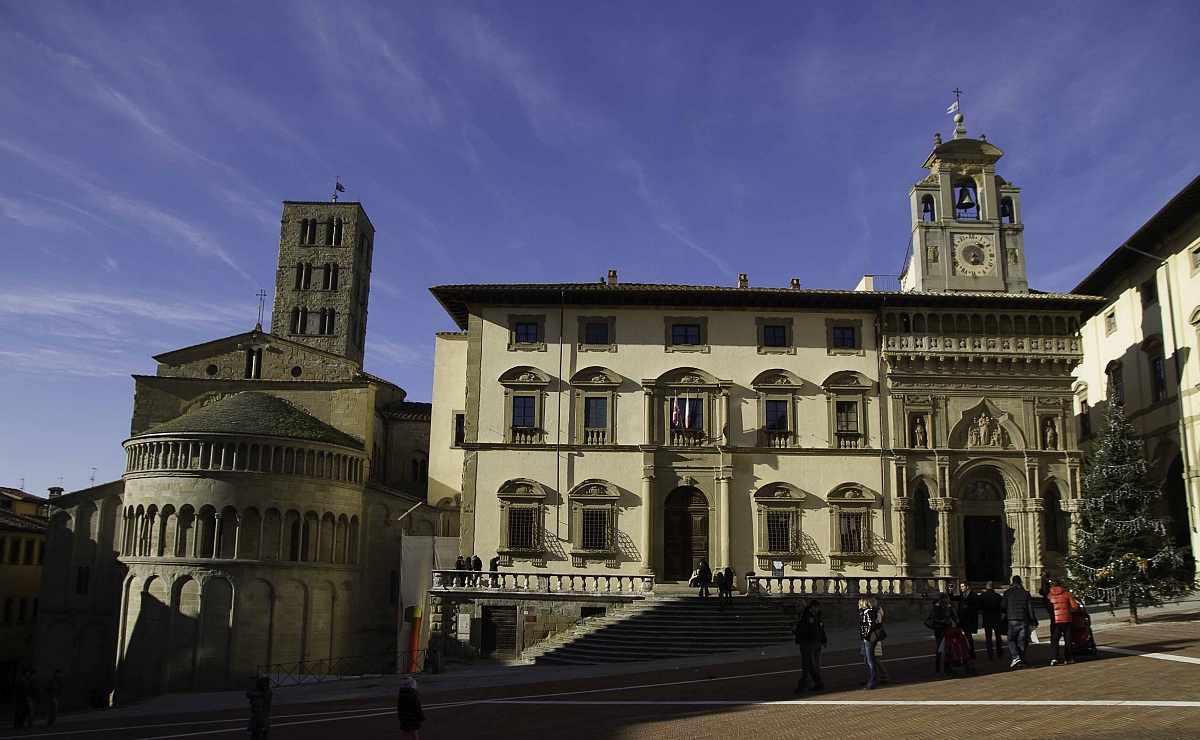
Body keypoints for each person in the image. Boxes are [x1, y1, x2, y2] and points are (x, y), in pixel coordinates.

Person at [1001, 574, 1038, 668]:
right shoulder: (1025, 593)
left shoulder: (1007, 593)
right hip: (1023, 619)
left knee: (1011, 639)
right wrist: (1033, 620)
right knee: (1022, 640)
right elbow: (1030, 608)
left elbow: (1003, 606)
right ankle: (1022, 660)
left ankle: (1016, 656)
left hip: (1012, 619)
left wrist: (1007, 612)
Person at [792, 600, 827, 693]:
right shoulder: (804, 615)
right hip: (807, 642)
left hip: (808, 643)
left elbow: (809, 630)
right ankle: (818, 683)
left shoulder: (808, 616)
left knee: (807, 665)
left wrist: (797, 630)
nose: (797, 608)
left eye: (798, 606)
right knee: (810, 665)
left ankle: (802, 685)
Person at [1046, 579, 1083, 665]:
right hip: (1066, 619)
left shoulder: (1049, 596)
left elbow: (1048, 608)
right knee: (1068, 639)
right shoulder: (1067, 594)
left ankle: (1054, 658)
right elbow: (1075, 606)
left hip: (1055, 620)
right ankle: (1068, 658)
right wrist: (1079, 609)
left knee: (1055, 639)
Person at [925, 593, 958, 676]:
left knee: (948, 648)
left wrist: (957, 621)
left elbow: (954, 616)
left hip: (948, 629)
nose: (948, 600)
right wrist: (941, 621)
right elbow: (934, 618)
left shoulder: (949, 607)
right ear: (943, 599)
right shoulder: (937, 608)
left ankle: (947, 666)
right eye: (946, 598)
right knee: (940, 648)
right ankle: (938, 666)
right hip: (940, 630)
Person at [951, 581, 980, 658]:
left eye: (962, 586)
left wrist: (968, 608)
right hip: (961, 619)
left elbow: (977, 608)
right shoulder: (962, 595)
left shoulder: (974, 596)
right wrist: (950, 591)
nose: (961, 588)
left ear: (967, 587)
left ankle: (971, 652)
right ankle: (960, 651)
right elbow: (953, 598)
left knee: (968, 636)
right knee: (957, 636)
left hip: (969, 620)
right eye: (960, 587)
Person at [978, 581, 1005, 660]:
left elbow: (979, 607)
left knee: (988, 638)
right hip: (996, 618)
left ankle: (990, 654)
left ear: (986, 586)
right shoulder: (997, 596)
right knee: (998, 637)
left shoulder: (983, 596)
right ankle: (999, 652)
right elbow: (1002, 606)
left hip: (987, 618)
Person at [867, 597, 890, 684]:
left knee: (874, 658)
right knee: (872, 659)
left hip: (874, 637)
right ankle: (874, 676)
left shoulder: (876, 613)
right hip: (874, 637)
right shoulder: (876, 612)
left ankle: (883, 675)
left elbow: (876, 625)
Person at [858, 598, 879, 689]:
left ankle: (872, 680)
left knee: (870, 661)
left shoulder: (869, 613)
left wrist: (866, 637)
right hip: (865, 638)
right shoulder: (864, 613)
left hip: (869, 639)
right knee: (866, 660)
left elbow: (871, 626)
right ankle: (869, 678)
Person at [396, 675, 425, 739]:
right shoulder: (414, 695)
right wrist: (422, 718)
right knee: (415, 735)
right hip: (413, 719)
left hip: (404, 718)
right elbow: (418, 708)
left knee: (406, 734)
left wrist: (400, 717)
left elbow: (399, 707)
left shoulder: (401, 694)